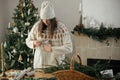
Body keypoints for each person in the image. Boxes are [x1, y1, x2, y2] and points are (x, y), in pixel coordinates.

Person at [26, 1, 73, 70]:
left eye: (48, 20)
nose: (46, 22)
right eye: (44, 19)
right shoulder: (37, 26)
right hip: (39, 65)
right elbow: (28, 41)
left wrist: (52, 49)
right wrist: (34, 43)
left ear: (52, 18)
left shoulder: (61, 28)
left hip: (56, 66)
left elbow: (69, 48)